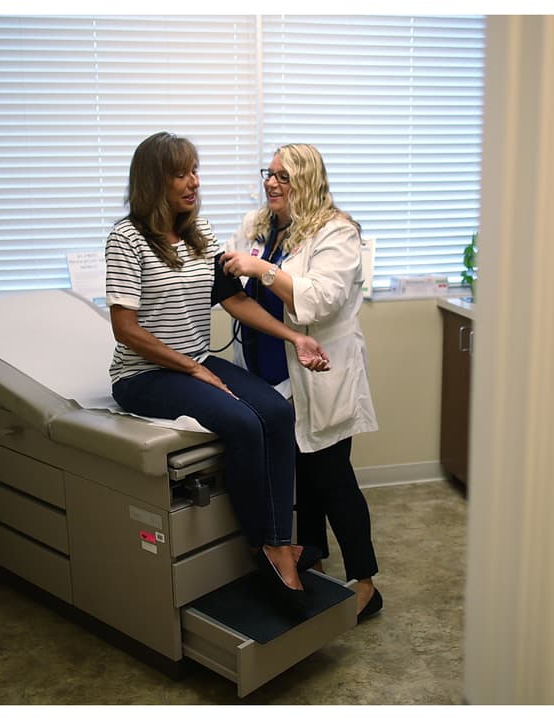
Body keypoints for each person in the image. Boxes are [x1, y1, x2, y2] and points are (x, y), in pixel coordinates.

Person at [105, 132, 329, 611]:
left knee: (277, 411)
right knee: (244, 422)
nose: (194, 182)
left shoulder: (199, 233)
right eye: (181, 174)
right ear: (154, 181)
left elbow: (235, 299)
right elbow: (125, 328)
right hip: (143, 375)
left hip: (195, 361)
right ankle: (268, 548)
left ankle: (278, 541)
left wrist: (294, 337)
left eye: (195, 171)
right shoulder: (126, 239)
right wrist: (192, 368)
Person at [220, 143, 383, 620]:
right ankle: (313, 557)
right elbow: (228, 272)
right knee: (298, 481)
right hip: (265, 374)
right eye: (269, 173)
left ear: (307, 181)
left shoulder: (337, 232)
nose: (271, 183)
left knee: (332, 480)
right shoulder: (258, 225)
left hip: (316, 375)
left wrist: (263, 270)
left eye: (283, 176)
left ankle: (366, 584)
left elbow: (322, 298)